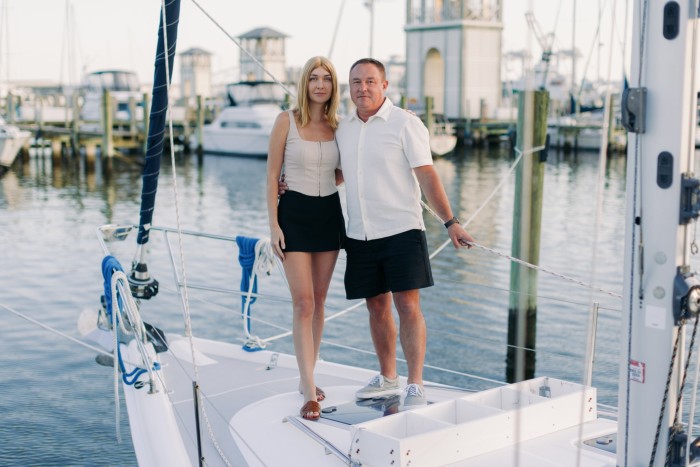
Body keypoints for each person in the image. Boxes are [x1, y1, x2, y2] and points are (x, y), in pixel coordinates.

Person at [337, 58, 474, 408]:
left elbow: (427, 175)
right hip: (359, 233)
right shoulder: (344, 128)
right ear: (349, 87)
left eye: (370, 81)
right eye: (356, 82)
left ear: (384, 86)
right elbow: (340, 173)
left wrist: (450, 221)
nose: (362, 88)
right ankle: (388, 378)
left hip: (401, 231)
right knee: (376, 307)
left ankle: (415, 383)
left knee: (408, 305)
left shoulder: (405, 124)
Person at [266, 56, 345, 421]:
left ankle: (306, 378)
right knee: (303, 303)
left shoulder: (338, 126)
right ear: (304, 83)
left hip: (328, 215)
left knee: (320, 300)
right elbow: (270, 176)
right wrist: (274, 226)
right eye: (313, 78)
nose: (319, 85)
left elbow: (342, 172)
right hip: (293, 217)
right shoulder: (287, 120)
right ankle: (310, 391)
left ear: (332, 86)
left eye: (326, 79)